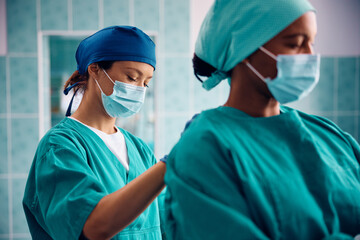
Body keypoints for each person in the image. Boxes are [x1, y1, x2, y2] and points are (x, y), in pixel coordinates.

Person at [164, 0, 360, 239]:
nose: (310, 56)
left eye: (312, 42)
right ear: (243, 49)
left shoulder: (329, 135)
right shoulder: (205, 147)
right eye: (295, 44)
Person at [23, 26, 168, 240]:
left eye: (146, 83)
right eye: (131, 77)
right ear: (95, 69)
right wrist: (170, 165)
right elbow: (94, 227)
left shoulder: (140, 150)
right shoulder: (60, 146)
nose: (139, 89)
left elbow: (168, 226)